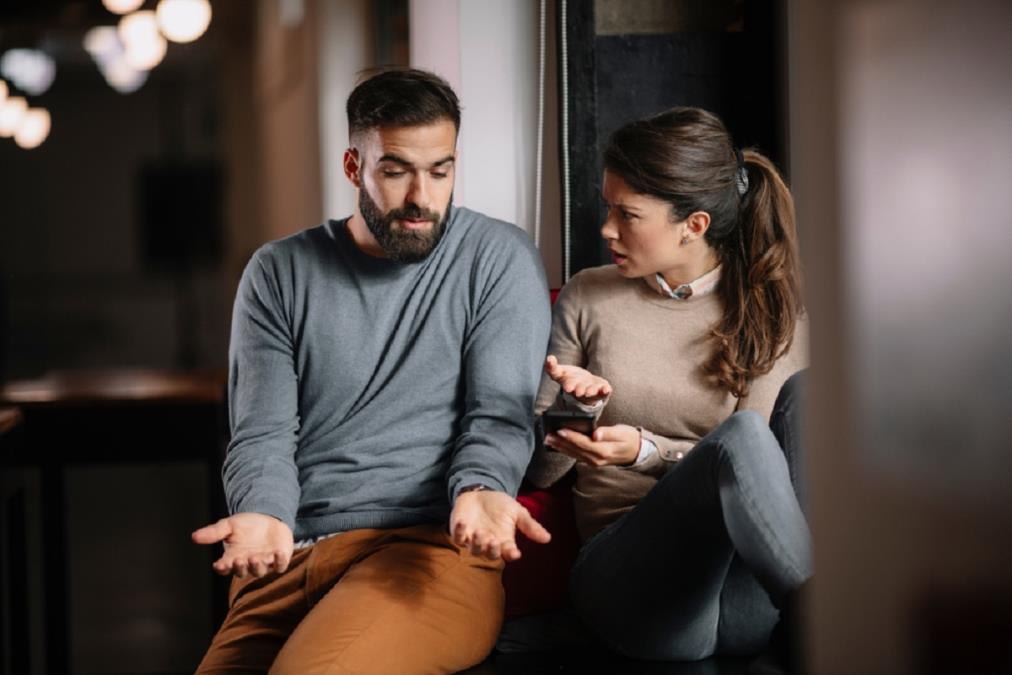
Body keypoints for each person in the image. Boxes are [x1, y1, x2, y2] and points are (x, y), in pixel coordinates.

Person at [192, 68, 552, 675]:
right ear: (354, 167)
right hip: (290, 554)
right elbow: (262, 431)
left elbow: (500, 413)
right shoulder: (278, 272)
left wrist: (481, 486)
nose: (422, 197)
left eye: (440, 171)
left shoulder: (496, 258)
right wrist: (262, 510)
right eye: (396, 170)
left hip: (427, 551)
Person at [527, 107, 811, 662]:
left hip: (748, 592)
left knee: (795, 408)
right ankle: (829, 620)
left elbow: (760, 468)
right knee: (743, 437)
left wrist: (646, 452)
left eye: (627, 214)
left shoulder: (773, 306)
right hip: (633, 586)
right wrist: (575, 405)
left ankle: (820, 608)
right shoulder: (589, 295)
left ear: (694, 225)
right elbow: (539, 469)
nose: (606, 228)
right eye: (607, 207)